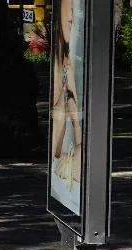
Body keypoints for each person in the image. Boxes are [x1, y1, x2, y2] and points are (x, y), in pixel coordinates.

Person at [50, 0, 82, 193]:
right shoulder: (64, 63)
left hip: (72, 173)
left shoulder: (78, 65)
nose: (72, 15)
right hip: (66, 173)